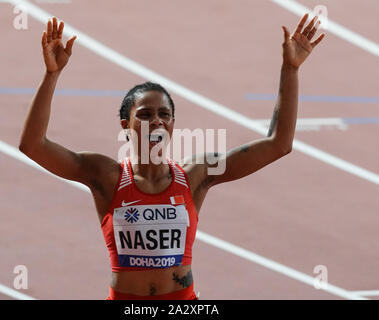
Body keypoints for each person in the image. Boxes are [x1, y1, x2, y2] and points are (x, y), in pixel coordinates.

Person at [19, 14, 325, 300]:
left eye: (164, 114)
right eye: (145, 114)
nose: (157, 121)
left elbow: (279, 144)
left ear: (173, 124)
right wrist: (52, 74)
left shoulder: (197, 174)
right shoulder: (106, 175)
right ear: (126, 125)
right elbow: (32, 146)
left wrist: (291, 69)